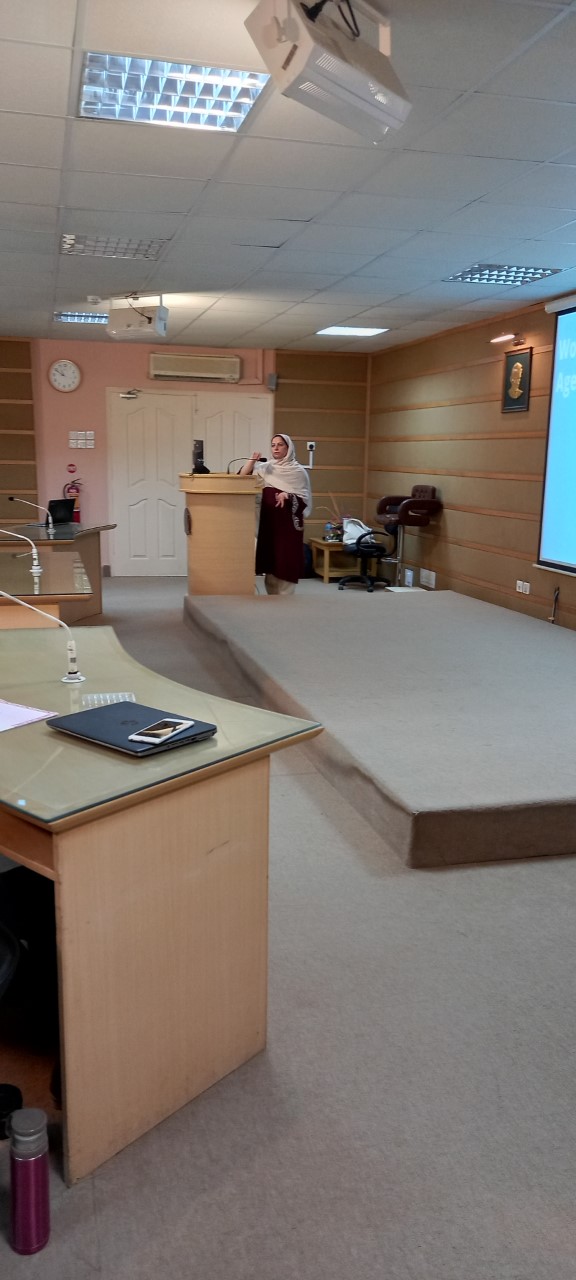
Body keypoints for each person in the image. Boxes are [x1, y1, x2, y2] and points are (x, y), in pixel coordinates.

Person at [240, 434, 312, 595]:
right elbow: (241, 479)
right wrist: (252, 461)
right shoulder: (266, 468)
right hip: (269, 523)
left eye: (280, 445)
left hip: (287, 526)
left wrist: (288, 496)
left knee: (285, 560)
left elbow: (304, 499)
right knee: (271, 560)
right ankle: (272, 598)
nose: (276, 448)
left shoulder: (298, 471)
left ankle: (286, 598)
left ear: (288, 448)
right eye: (273, 445)